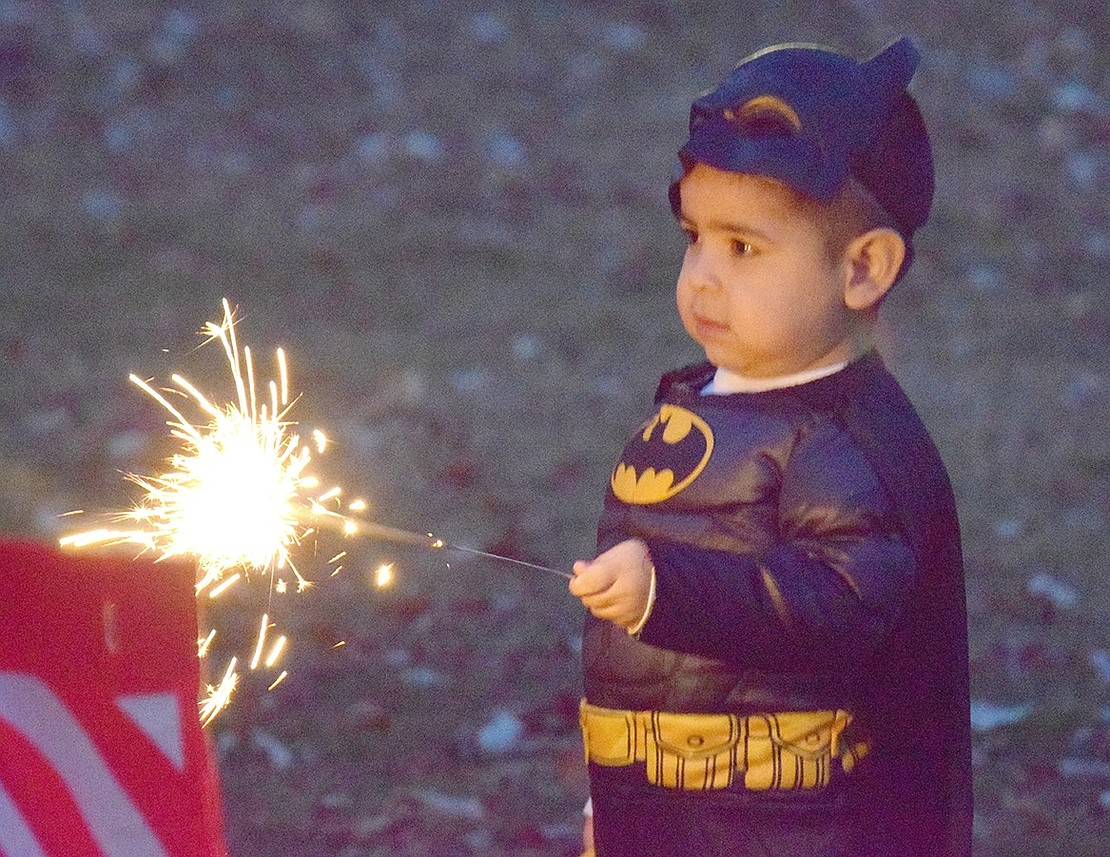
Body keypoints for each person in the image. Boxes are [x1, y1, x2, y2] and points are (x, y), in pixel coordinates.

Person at [568, 37, 971, 856]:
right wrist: (614, 808)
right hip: (656, 804)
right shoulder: (693, 406)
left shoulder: (844, 448)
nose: (703, 277)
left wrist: (667, 590)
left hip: (791, 824)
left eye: (743, 248)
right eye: (694, 237)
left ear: (863, 269)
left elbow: (843, 604)